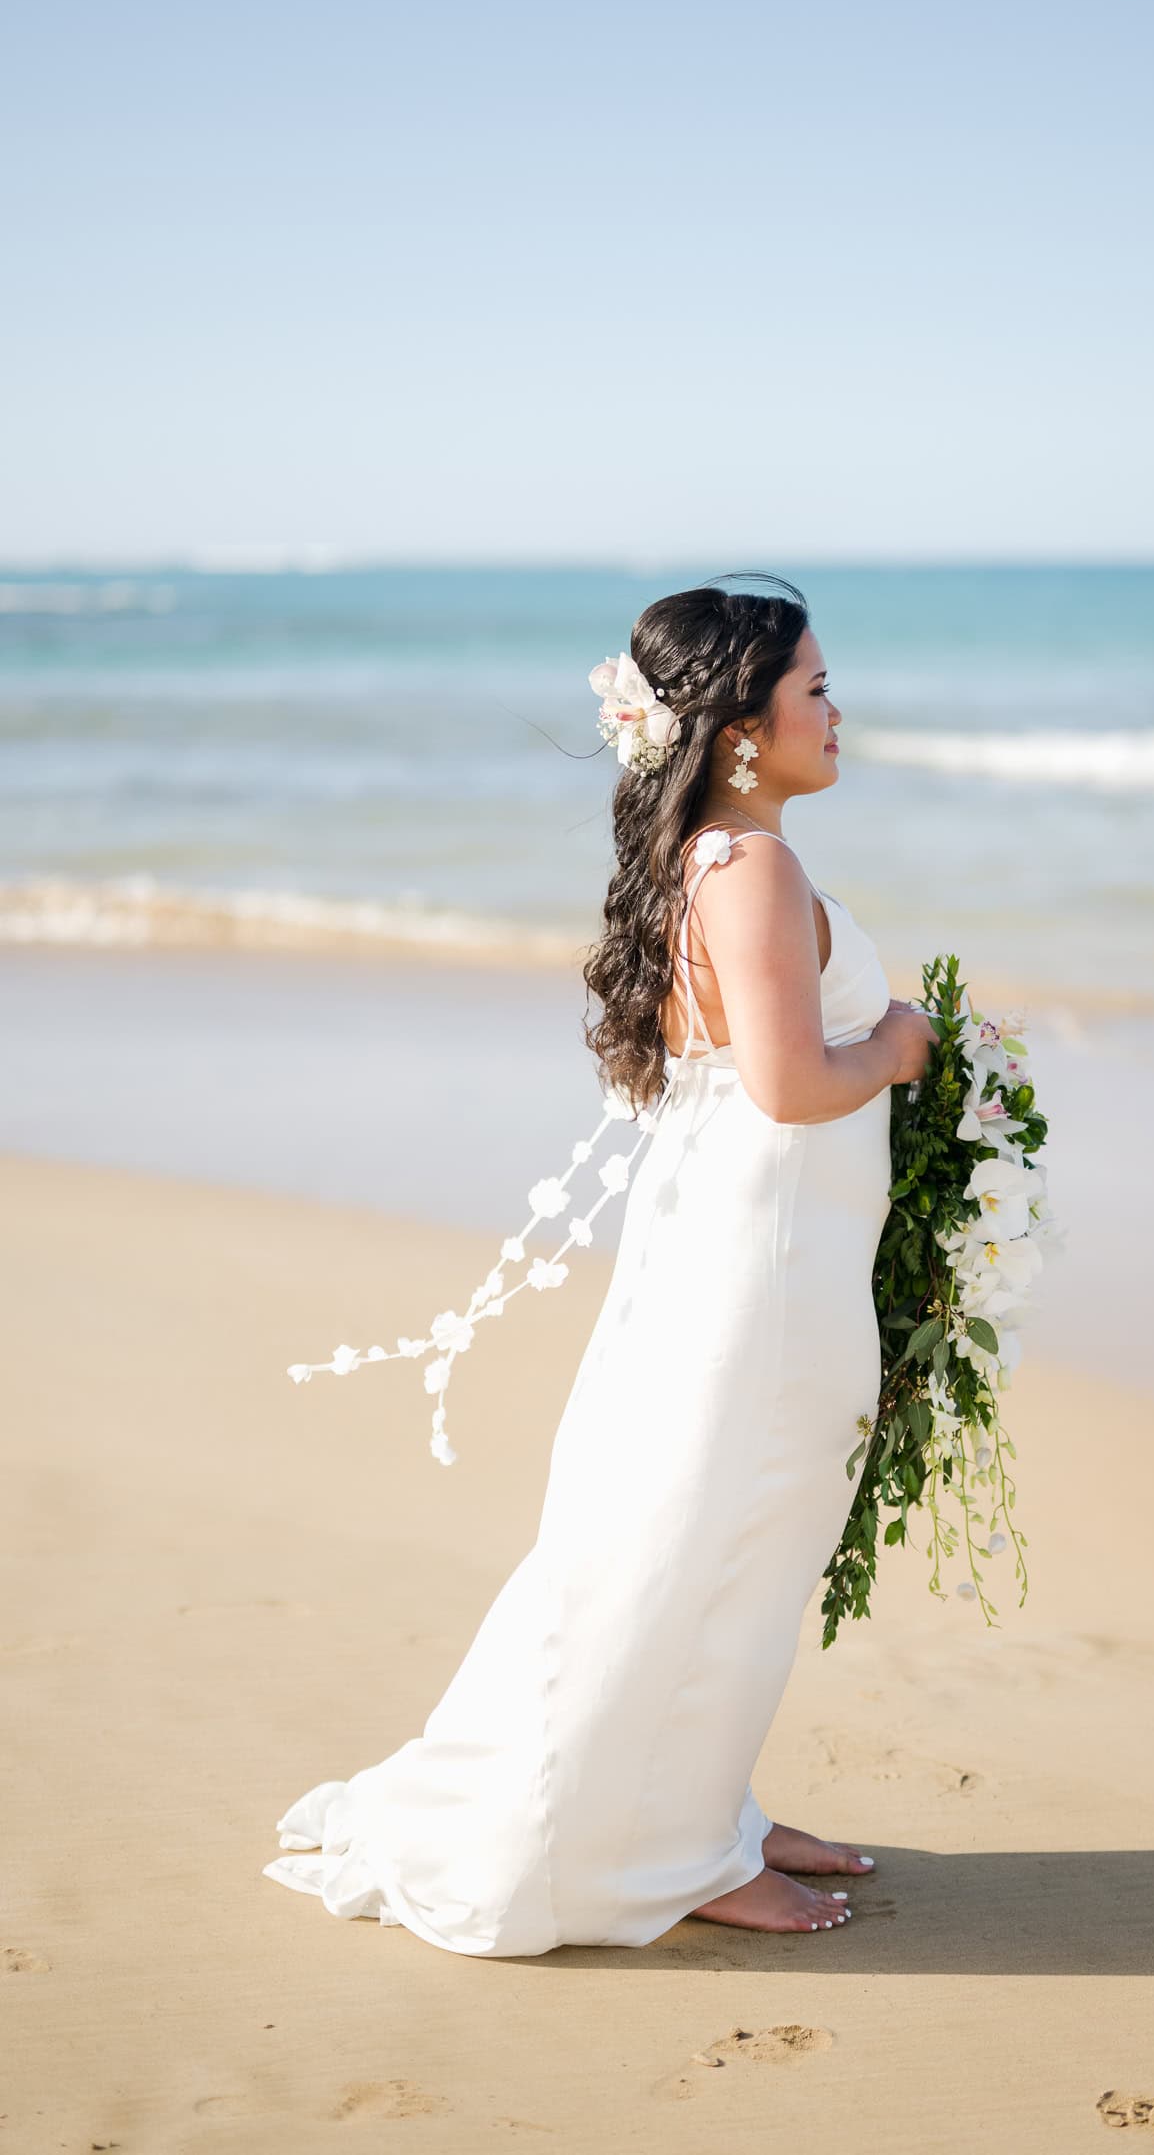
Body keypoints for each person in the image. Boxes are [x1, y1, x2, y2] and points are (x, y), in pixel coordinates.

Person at [262, 574, 938, 1955]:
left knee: (727, 1528)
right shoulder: (751, 866)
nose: (836, 706)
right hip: (761, 1258)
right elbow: (794, 1081)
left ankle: (707, 1809)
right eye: (814, 686)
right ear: (742, 728)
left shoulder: (713, 853)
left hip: (750, 1244)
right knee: (720, 1525)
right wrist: (907, 1046)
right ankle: (674, 1849)